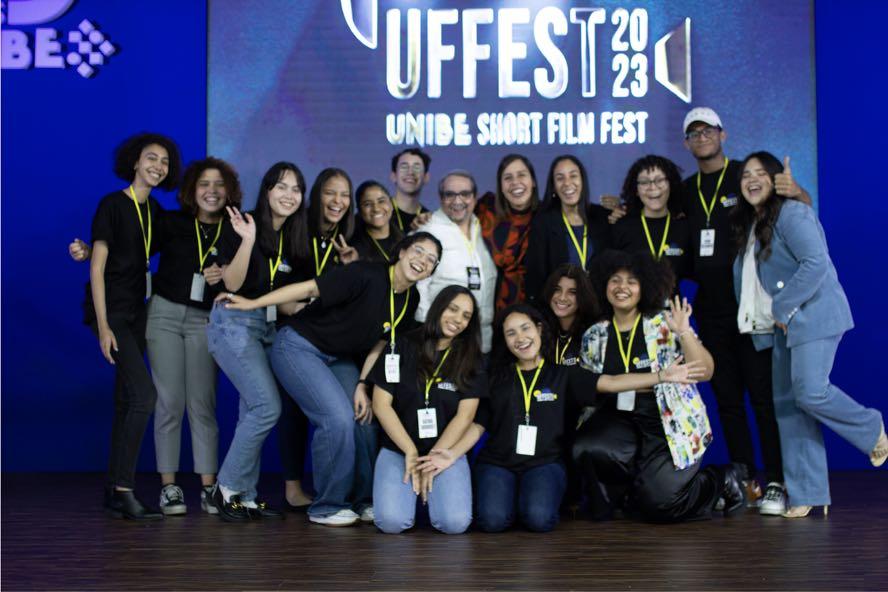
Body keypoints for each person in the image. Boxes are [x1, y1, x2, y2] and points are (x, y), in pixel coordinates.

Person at [223, 232, 443, 527]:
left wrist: (363, 384)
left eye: (431, 259)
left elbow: (381, 343)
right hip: (298, 346)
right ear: (402, 252)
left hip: (338, 357)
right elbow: (308, 287)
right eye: (418, 251)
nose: (423, 260)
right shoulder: (365, 273)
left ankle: (363, 500)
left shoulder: (410, 298)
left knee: (364, 418)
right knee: (336, 419)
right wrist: (253, 303)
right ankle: (327, 506)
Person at [69, 157, 242, 515]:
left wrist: (225, 271)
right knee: (168, 401)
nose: (211, 191)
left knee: (203, 402)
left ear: (229, 191)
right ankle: (169, 487)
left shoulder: (234, 228)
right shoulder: (171, 221)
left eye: (219, 184)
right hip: (163, 315)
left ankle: (208, 487)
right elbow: (129, 247)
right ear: (192, 189)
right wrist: (88, 252)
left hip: (205, 319)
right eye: (204, 183)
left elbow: (246, 274)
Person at [733, 151, 887, 518]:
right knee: (789, 407)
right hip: (782, 327)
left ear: (776, 179)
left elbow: (815, 263)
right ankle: (807, 493)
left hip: (813, 316)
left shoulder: (793, 213)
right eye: (746, 175)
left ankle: (871, 428)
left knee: (810, 392)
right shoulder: (753, 223)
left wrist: (782, 307)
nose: (752, 179)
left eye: (760, 173)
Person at [680, 107, 798, 508]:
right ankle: (746, 479)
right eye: (693, 133)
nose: (701, 137)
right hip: (711, 311)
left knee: (763, 400)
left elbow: (790, 205)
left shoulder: (743, 177)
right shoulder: (685, 190)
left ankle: (777, 479)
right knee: (728, 401)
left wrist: (797, 192)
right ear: (686, 143)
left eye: (708, 130)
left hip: (751, 308)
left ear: (723, 134)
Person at [573, 250, 747, 522]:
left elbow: (705, 371)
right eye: (615, 280)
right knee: (587, 447)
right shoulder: (594, 335)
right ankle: (628, 496)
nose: (621, 287)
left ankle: (721, 480)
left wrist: (684, 332)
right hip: (618, 417)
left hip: (665, 418)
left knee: (661, 503)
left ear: (645, 287)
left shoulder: (663, 324)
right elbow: (592, 386)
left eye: (631, 281)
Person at [82, 132, 182, 520]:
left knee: (127, 401)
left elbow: (134, 253)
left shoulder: (153, 210)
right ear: (135, 162)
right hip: (113, 313)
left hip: (139, 313)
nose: (158, 166)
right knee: (144, 396)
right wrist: (104, 326)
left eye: (165, 162)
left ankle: (113, 490)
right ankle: (125, 489)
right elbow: (98, 268)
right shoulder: (112, 204)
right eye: (151, 158)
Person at [206, 161, 310, 521]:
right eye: (281, 187)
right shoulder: (242, 223)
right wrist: (248, 240)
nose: (289, 195)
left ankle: (244, 496)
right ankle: (224, 489)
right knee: (267, 407)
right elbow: (232, 284)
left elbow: (289, 301)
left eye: (296, 189)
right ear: (267, 190)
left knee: (251, 410)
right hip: (233, 322)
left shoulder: (295, 237)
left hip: (267, 327)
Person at [370, 286, 486, 534]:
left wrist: (433, 460)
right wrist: (410, 451)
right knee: (391, 522)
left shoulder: (471, 357)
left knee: (454, 523)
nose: (458, 319)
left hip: (445, 450)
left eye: (466, 316)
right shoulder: (402, 344)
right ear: (439, 307)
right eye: (452, 309)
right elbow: (380, 404)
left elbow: (466, 415)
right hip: (399, 448)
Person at [415, 171, 497, 353]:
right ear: (441, 198)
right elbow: (417, 285)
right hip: (441, 341)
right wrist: (428, 333)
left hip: (482, 342)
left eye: (465, 194)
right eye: (450, 194)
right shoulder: (428, 231)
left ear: (475, 197)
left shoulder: (484, 228)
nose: (457, 200)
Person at [525, 155, 611, 301]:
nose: (567, 183)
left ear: (582, 181)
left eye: (573, 176)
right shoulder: (543, 223)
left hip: (598, 305)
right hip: (560, 306)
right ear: (553, 187)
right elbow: (536, 277)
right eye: (560, 178)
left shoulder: (602, 217)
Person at [612, 155, 692, 284]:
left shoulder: (685, 227)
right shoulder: (622, 227)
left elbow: (692, 277)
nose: (653, 187)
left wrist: (684, 297)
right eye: (644, 182)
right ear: (636, 190)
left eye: (659, 180)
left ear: (671, 184)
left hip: (676, 298)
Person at [474, 154, 540, 310]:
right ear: (501, 187)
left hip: (529, 309)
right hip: (482, 306)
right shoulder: (485, 208)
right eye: (508, 178)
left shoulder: (546, 217)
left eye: (521, 175)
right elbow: (454, 218)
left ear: (533, 181)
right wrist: (428, 217)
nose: (515, 182)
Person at [352, 180, 403, 263]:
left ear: (392, 204)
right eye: (368, 204)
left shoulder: (405, 241)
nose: (376, 209)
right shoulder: (353, 249)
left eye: (381, 201)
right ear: (360, 211)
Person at [390, 148, 432, 231]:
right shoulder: (380, 212)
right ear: (393, 176)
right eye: (404, 167)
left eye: (417, 168)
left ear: (426, 177)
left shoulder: (429, 221)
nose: (410, 172)